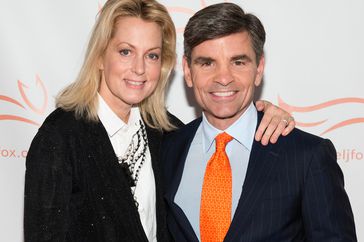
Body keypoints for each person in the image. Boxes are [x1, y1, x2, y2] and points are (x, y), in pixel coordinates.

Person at [23, 0, 295, 241]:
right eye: (125, 52)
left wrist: (264, 114)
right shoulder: (60, 138)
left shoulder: (165, 132)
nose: (139, 68)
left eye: (152, 55)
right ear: (100, 56)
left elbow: (228, 125)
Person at [161, 3, 357, 242]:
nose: (223, 78)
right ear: (188, 71)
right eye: (207, 63)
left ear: (259, 68)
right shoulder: (166, 149)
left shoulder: (307, 157)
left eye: (238, 62)